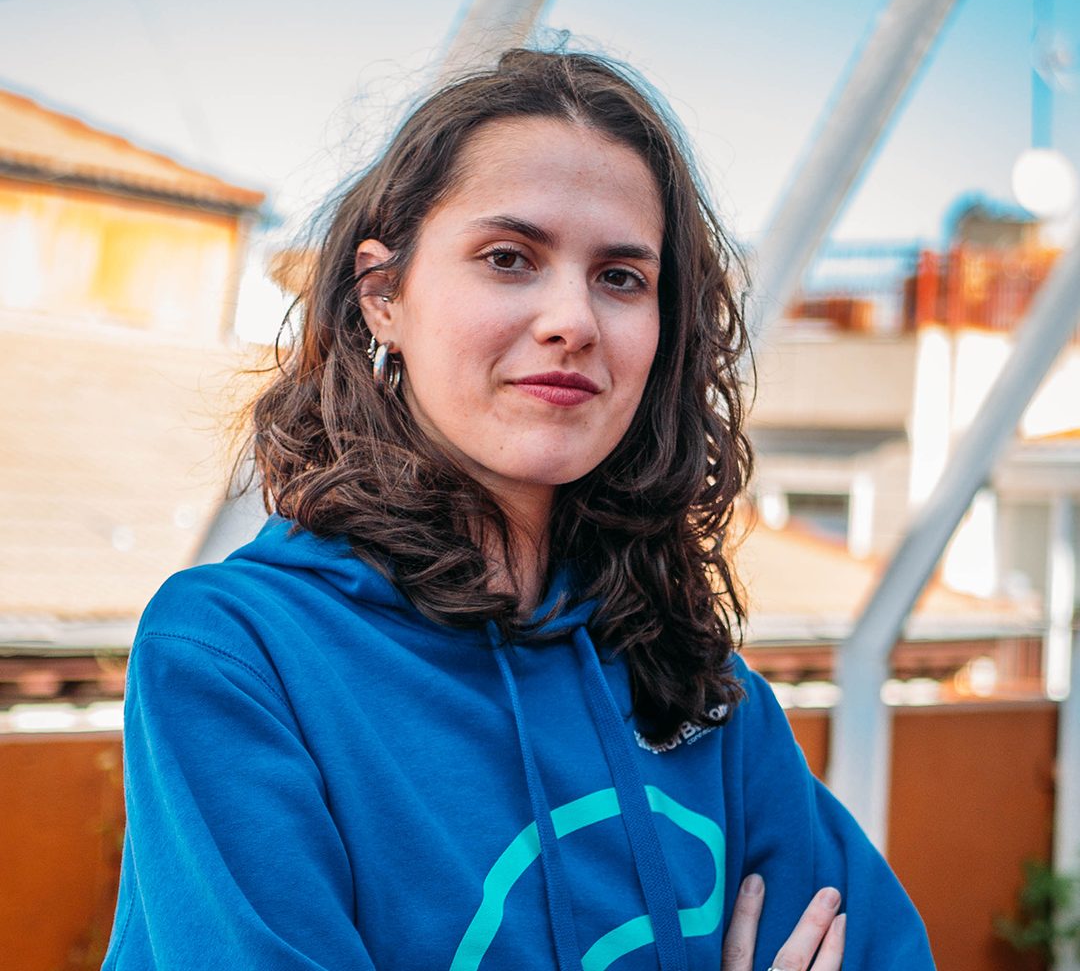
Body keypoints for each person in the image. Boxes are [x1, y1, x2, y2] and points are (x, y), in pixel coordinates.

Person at [102, 48, 934, 970]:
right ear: (382, 297)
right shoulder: (238, 656)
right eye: (509, 259)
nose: (572, 320)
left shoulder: (699, 692)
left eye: (621, 277)